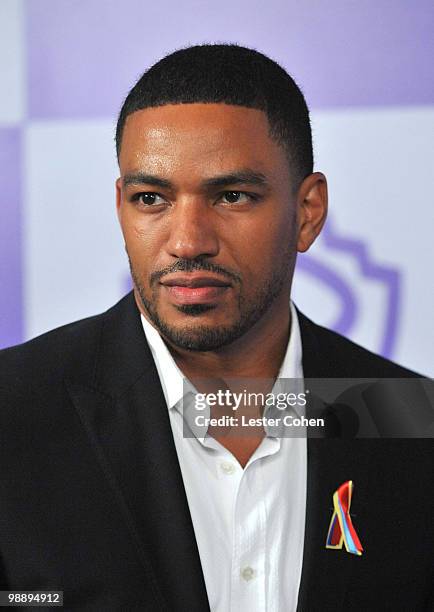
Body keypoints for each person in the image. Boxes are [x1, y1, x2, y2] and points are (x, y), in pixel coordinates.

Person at [0, 44, 432, 611]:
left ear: (307, 211)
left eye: (231, 196)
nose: (186, 241)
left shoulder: (411, 422)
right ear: (120, 205)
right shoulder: (13, 412)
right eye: (150, 198)